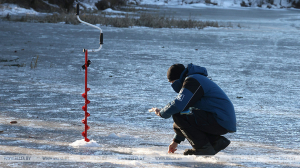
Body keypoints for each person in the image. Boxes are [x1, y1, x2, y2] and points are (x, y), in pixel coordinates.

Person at [152, 63, 236, 155]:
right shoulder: (195, 79)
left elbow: (178, 105)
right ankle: (216, 142)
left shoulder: (193, 81)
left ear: (177, 78)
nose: (172, 85)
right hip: (220, 120)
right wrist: (175, 141)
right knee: (181, 117)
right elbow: (185, 113)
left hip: (220, 120)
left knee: (178, 114)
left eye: (172, 82)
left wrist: (162, 112)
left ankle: (203, 148)